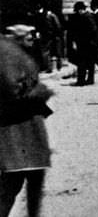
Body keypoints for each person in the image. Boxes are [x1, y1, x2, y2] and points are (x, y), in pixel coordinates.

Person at [0, 24, 54, 217]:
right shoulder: (7, 54)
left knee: (29, 181)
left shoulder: (15, 51)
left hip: (26, 128)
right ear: (13, 33)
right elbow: (13, 92)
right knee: (12, 185)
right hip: (18, 129)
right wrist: (40, 92)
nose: (32, 35)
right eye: (28, 34)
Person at [67, 1, 98, 86]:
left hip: (86, 44)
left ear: (81, 9)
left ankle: (81, 81)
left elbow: (93, 29)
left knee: (82, 62)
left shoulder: (87, 17)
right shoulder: (87, 16)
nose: (78, 12)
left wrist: (83, 37)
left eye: (78, 10)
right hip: (89, 43)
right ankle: (90, 80)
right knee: (90, 62)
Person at [32, 0, 62, 73]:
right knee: (47, 52)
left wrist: (57, 34)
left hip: (52, 36)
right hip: (46, 36)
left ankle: (57, 66)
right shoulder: (39, 15)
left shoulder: (50, 15)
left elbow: (57, 26)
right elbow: (37, 26)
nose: (39, 11)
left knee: (55, 52)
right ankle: (50, 67)